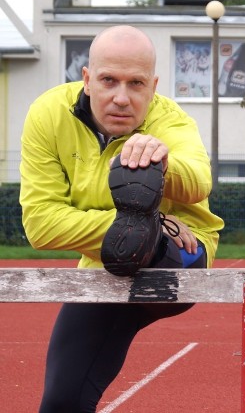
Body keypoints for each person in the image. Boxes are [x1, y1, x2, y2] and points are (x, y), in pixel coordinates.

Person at [19, 25, 224, 412]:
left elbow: (199, 181)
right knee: (62, 402)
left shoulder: (171, 119)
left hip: (180, 260)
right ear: (86, 79)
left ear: (154, 86)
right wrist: (150, 223)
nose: (121, 98)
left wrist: (163, 163)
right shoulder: (48, 114)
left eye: (136, 84)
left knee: (141, 170)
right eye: (108, 80)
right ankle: (147, 233)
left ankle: (150, 234)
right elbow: (41, 222)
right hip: (103, 267)